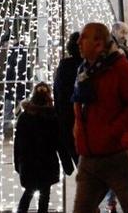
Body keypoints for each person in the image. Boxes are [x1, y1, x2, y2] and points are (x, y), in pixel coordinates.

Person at [71, 22, 128, 213]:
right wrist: (78, 129)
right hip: (89, 156)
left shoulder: (119, 68)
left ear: (98, 43)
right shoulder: (84, 71)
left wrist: (112, 131)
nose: (78, 41)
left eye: (84, 37)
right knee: (82, 209)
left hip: (117, 154)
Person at [14, 82, 69, 213]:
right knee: (44, 196)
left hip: (28, 163)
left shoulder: (24, 117)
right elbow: (59, 143)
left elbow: (18, 144)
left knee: (28, 193)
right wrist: (67, 164)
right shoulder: (51, 117)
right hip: (47, 164)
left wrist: (18, 163)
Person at [53, 32, 82, 176]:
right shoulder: (91, 65)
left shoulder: (65, 66)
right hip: (81, 119)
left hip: (68, 119)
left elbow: (58, 94)